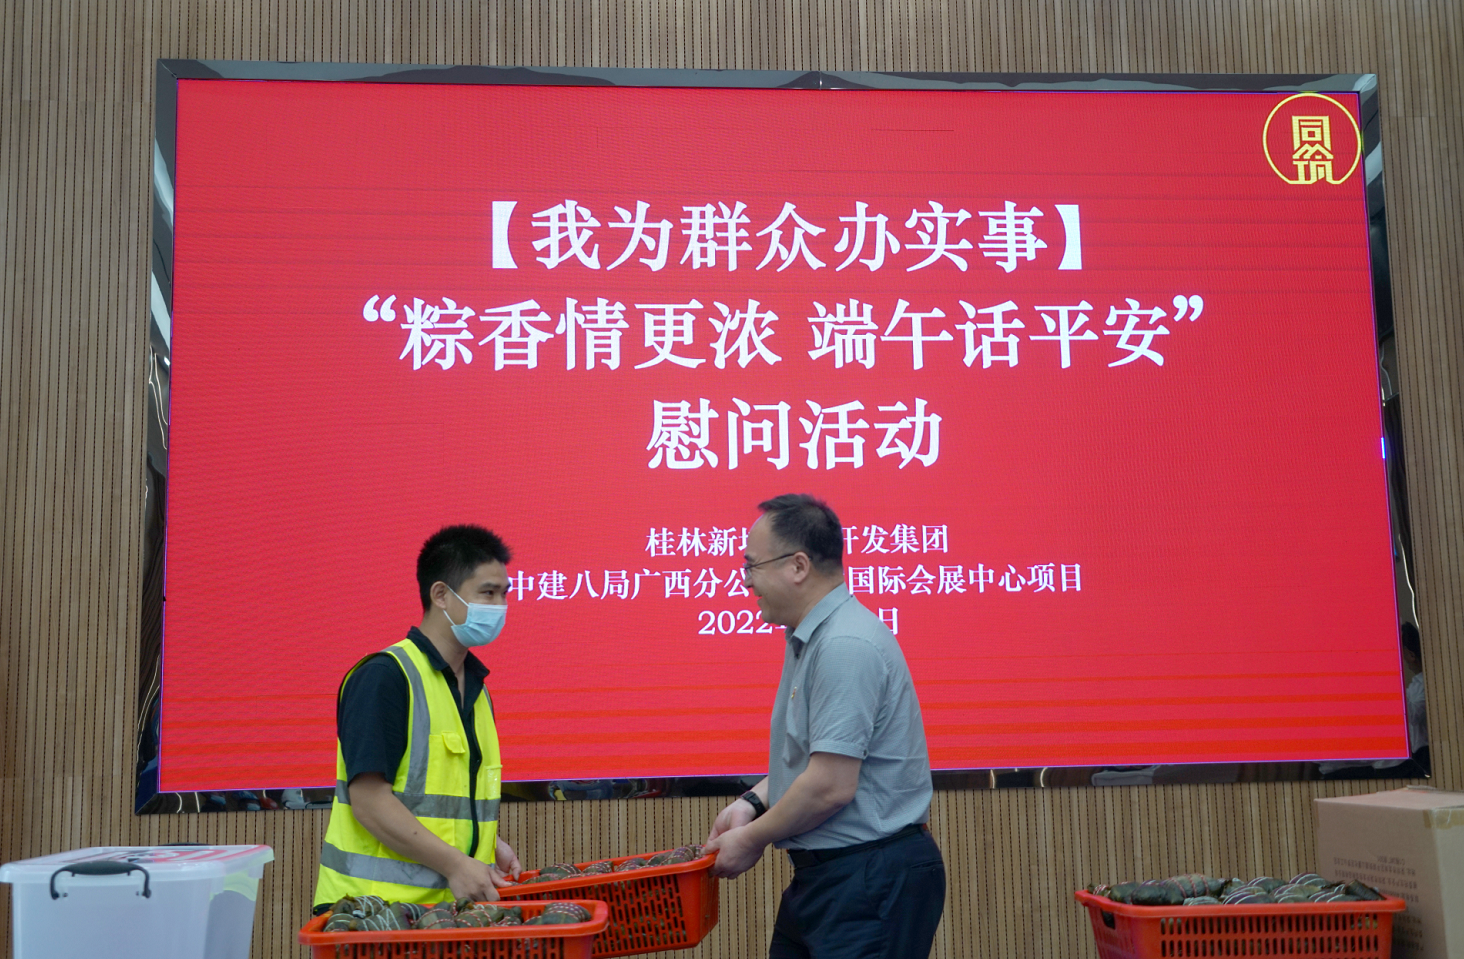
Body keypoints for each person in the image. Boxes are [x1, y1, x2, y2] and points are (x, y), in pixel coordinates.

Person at [705, 494, 945, 958]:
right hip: (832, 877)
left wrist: (750, 840)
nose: (746, 581)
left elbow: (830, 786)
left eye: (752, 566)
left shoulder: (844, 643)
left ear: (798, 566)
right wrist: (751, 804)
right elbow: (813, 763)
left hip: (869, 879)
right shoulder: (812, 638)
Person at [314, 524, 522, 910]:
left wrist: (486, 844)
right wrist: (456, 864)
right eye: (487, 593)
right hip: (371, 914)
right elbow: (369, 801)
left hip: (441, 914)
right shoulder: (386, 676)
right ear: (441, 595)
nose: (499, 606)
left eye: (504, 594)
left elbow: (440, 801)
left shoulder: (476, 689)